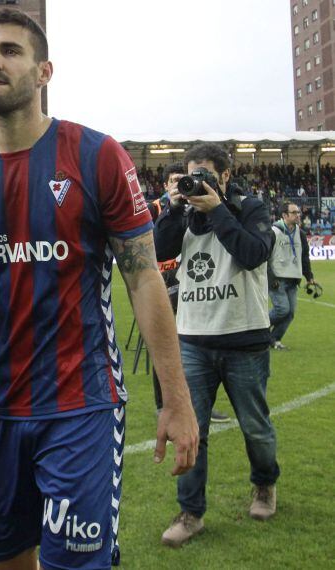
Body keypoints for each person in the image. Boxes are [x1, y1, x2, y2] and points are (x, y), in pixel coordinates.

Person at [0, 9, 198, 569]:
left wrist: (177, 401)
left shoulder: (94, 155)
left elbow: (142, 277)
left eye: (10, 51)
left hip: (80, 407)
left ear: (44, 72)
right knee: (2, 561)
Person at [154, 143, 280, 547]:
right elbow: (159, 250)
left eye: (207, 174)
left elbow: (253, 254)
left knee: (256, 428)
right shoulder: (185, 214)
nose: (199, 182)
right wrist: (175, 208)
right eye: (193, 175)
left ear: (225, 176)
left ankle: (264, 483)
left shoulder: (250, 207)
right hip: (193, 339)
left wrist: (217, 209)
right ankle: (190, 513)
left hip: (244, 337)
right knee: (192, 432)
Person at [148, 165, 231, 424]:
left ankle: (202, 404)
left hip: (190, 279)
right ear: (164, 185)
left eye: (183, 180)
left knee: (198, 344)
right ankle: (163, 404)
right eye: (175, 181)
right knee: (166, 344)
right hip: (160, 280)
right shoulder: (155, 208)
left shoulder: (196, 205)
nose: (181, 185)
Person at [267, 201, 318, 350]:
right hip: (277, 279)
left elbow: (304, 258)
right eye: (294, 212)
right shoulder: (273, 232)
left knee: (290, 314)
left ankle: (274, 340)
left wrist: (309, 277)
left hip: (293, 279)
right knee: (282, 309)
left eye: (298, 212)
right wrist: (271, 279)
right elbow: (265, 258)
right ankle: (259, 329)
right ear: (284, 215)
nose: (298, 215)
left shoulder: (300, 234)